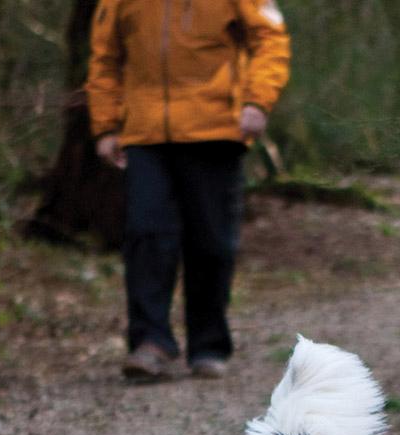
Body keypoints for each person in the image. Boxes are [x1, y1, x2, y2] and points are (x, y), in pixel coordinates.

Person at [86, 0, 290, 380]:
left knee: (212, 242)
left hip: (216, 127)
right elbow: (105, 58)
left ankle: (208, 345)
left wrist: (257, 101)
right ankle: (151, 343)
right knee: (146, 233)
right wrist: (106, 125)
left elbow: (270, 40)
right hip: (145, 132)